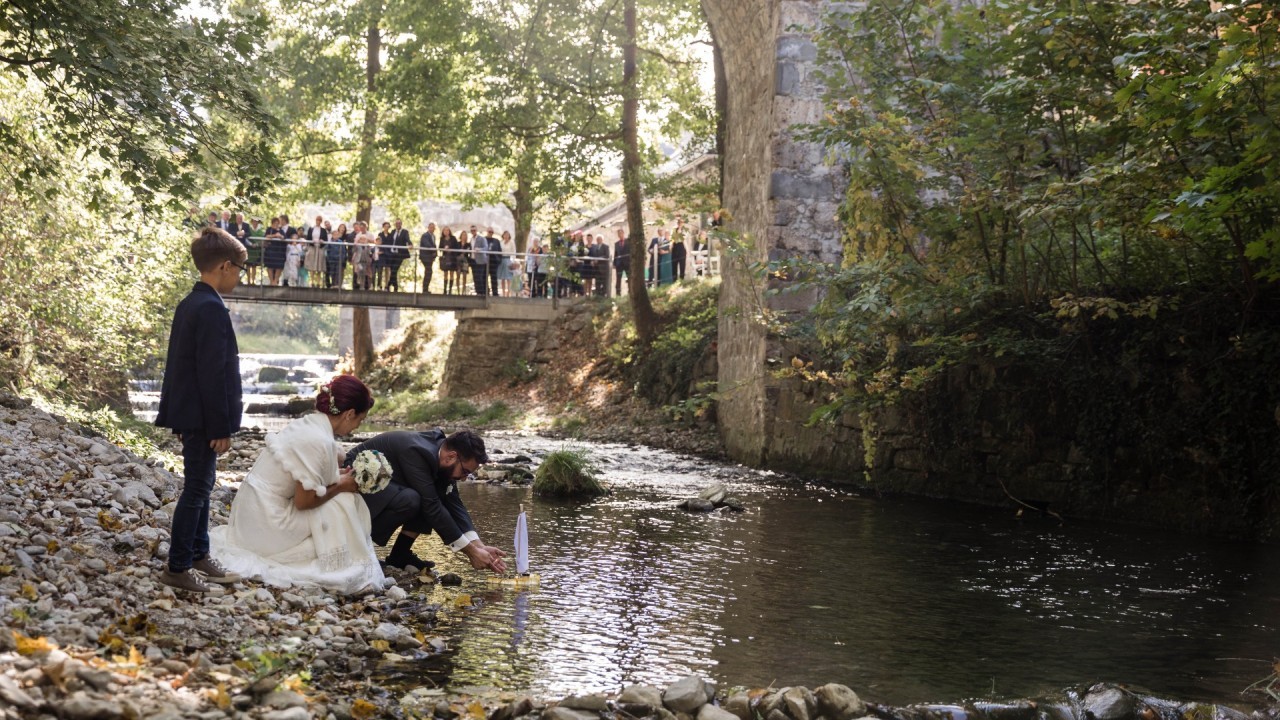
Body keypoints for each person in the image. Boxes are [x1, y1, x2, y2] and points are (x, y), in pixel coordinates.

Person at [209, 376, 386, 595]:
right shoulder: (320, 440)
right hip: (266, 522)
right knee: (345, 500)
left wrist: (338, 477)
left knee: (341, 494)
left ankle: (339, 553)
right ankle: (341, 563)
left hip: (250, 512)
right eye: (360, 419)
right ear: (349, 413)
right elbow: (304, 502)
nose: (359, 425)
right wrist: (341, 486)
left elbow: (304, 478)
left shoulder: (309, 423)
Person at [154, 227, 247, 595]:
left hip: (191, 413)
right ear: (224, 266)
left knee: (203, 485)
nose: (241, 275)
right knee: (196, 488)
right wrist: (218, 426)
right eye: (240, 268)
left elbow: (182, 366)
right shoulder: (209, 308)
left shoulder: (191, 302)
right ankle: (178, 565)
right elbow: (211, 373)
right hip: (202, 417)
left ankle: (199, 553)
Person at [346, 430, 508, 573]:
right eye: (465, 471)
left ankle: (399, 556)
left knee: (428, 496)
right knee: (417, 500)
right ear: (451, 456)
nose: (464, 478)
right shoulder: (416, 452)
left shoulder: (442, 454)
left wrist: (478, 545)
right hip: (356, 481)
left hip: (391, 485)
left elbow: (454, 503)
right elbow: (432, 506)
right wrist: (471, 552)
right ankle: (360, 549)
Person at [386, 219, 410, 292]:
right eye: (396, 223)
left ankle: (389, 284)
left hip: (399, 254)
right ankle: (395, 286)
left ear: (401, 224)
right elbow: (389, 240)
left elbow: (407, 239)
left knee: (394, 269)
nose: (397, 225)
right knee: (393, 270)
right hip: (392, 254)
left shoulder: (405, 232)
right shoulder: (393, 232)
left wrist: (410, 244)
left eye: (399, 223)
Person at [305, 215, 328, 288]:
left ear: (321, 221)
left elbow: (326, 239)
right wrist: (312, 241)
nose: (318, 221)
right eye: (317, 220)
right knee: (312, 265)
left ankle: (318, 282)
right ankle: (311, 281)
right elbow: (308, 238)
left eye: (319, 220)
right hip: (312, 247)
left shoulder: (323, 230)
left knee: (319, 265)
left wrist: (322, 241)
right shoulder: (311, 229)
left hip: (320, 248)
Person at [327, 222, 349, 289]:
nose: (336, 236)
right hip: (332, 260)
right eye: (334, 234)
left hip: (339, 260)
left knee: (338, 272)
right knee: (332, 272)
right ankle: (333, 284)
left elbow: (344, 251)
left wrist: (343, 258)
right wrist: (329, 258)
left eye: (337, 234)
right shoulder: (330, 242)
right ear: (332, 235)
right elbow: (328, 251)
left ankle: (337, 284)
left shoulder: (341, 242)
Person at [439, 226, 458, 295]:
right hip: (445, 258)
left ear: (449, 231)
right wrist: (444, 248)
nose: (446, 232)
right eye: (445, 231)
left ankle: (450, 290)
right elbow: (440, 248)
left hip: (452, 257)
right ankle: (445, 289)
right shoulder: (442, 239)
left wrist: (451, 249)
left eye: (447, 230)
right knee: (445, 273)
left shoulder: (453, 238)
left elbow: (457, 247)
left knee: (452, 274)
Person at [419, 222, 437, 293]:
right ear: (428, 228)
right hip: (425, 257)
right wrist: (433, 250)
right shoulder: (425, 235)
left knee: (428, 272)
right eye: (431, 227)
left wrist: (435, 254)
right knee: (428, 271)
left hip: (430, 257)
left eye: (433, 227)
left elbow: (433, 245)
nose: (432, 229)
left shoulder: (433, 236)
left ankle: (425, 288)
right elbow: (427, 245)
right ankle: (425, 289)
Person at [670, 216, 688, 282]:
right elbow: (672, 238)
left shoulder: (685, 230)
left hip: (682, 247)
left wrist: (680, 232)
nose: (680, 224)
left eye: (681, 222)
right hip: (675, 246)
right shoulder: (674, 229)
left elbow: (683, 238)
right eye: (679, 222)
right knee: (674, 265)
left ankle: (681, 280)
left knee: (682, 265)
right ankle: (674, 280)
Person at [613, 226, 629, 296]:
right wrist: (614, 263)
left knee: (629, 278)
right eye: (618, 234)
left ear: (623, 233)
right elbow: (615, 254)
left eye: (621, 233)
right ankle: (618, 293)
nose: (620, 235)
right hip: (619, 264)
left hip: (627, 263)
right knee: (618, 279)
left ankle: (630, 292)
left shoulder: (628, 241)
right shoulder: (616, 244)